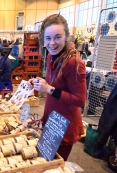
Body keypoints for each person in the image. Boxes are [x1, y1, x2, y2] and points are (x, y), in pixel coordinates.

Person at [29, 14, 86, 161]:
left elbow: (80, 100)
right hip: (52, 120)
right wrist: (41, 83)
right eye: (48, 38)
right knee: (43, 162)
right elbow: (55, 84)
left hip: (64, 125)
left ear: (66, 36)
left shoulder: (74, 63)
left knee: (53, 167)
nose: (52, 43)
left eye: (57, 37)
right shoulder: (51, 56)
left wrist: (48, 89)